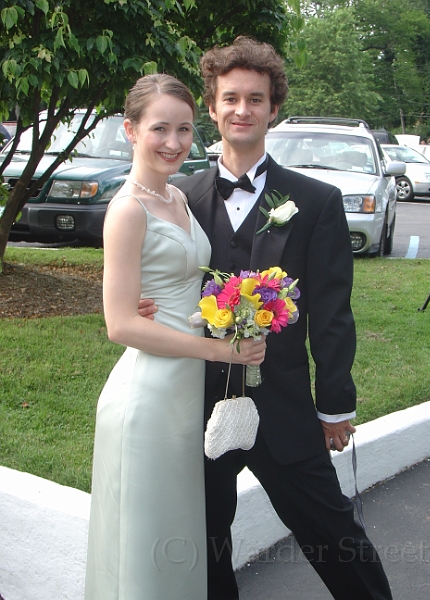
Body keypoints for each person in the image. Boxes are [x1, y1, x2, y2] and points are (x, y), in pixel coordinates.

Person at [139, 38, 394, 600]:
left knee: (333, 533)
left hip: (283, 403)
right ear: (212, 107)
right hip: (195, 401)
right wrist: (145, 304)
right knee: (205, 541)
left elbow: (332, 312)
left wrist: (335, 405)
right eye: (230, 98)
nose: (242, 110)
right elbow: (162, 278)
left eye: (255, 99)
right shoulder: (179, 197)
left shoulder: (315, 201)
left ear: (273, 108)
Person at [84, 73, 266, 600]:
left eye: (184, 129)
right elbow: (120, 325)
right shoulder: (127, 209)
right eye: (159, 128)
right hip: (148, 397)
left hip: (185, 393)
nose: (173, 142)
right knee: (146, 544)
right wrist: (219, 349)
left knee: (177, 534)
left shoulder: (178, 197)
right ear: (130, 130)